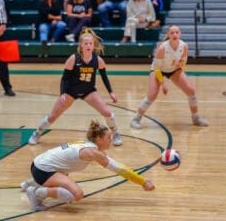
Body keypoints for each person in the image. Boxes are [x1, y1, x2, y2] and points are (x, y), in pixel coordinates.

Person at [23, 119, 155, 211]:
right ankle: (35, 193)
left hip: (39, 164)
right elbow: (118, 169)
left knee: (65, 175)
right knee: (76, 195)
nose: (111, 140)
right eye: (108, 137)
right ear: (98, 139)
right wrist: (142, 181)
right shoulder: (92, 152)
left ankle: (30, 183)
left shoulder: (87, 146)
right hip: (42, 169)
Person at [28, 27, 123, 146]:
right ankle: (37, 132)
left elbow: (104, 77)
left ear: (93, 45)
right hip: (71, 91)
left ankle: (116, 134)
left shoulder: (98, 60)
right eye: (86, 43)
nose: (88, 45)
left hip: (88, 91)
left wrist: (111, 92)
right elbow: (65, 78)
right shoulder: (73, 59)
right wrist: (62, 93)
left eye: (91, 43)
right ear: (81, 45)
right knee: (53, 117)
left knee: (107, 112)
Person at [130, 25, 209, 128]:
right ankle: (136, 119)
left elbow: (183, 62)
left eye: (176, 32)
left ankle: (196, 118)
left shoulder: (184, 46)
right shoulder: (163, 47)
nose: (174, 34)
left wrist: (180, 64)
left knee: (191, 91)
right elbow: (157, 68)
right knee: (152, 95)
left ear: (180, 34)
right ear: (168, 35)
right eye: (172, 33)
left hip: (172, 69)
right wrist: (163, 83)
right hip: (158, 70)